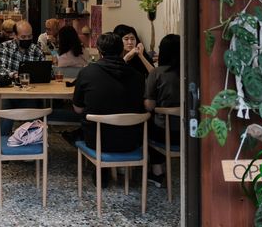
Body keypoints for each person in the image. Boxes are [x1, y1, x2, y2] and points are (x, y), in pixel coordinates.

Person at [72, 32, 146, 186]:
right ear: (121, 51)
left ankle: (100, 170)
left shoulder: (87, 73)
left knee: (82, 125)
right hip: (131, 141)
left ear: (99, 51)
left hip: (97, 140)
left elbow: (78, 109)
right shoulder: (138, 77)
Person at [0, 20, 45, 134]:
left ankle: (32, 143)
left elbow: (46, 74)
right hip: (9, 92)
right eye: (23, 37)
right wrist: (14, 75)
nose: (27, 39)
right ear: (15, 36)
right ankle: (3, 142)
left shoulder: (36, 50)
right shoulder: (5, 47)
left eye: (30, 36)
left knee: (34, 120)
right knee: (5, 116)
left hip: (30, 94)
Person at [144, 34, 181, 188]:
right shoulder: (192, 71)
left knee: (146, 127)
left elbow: (149, 105)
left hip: (166, 133)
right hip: (188, 133)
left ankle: (157, 172)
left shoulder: (157, 73)